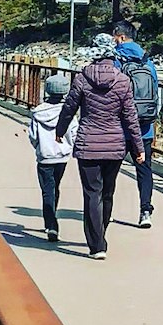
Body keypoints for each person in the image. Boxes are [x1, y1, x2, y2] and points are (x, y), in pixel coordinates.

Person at [67, 36, 140, 258]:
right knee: (108, 193)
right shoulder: (123, 81)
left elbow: (69, 108)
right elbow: (130, 116)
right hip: (114, 145)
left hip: (89, 143)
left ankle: (97, 244)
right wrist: (139, 147)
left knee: (92, 194)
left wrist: (60, 131)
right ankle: (102, 233)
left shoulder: (81, 79)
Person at [113, 25, 163, 226]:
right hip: (145, 128)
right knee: (144, 170)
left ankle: (106, 207)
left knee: (110, 170)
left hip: (120, 127)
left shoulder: (116, 60)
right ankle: (145, 211)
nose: (113, 41)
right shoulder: (148, 62)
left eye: (115, 38)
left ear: (122, 37)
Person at [29, 71, 77, 241]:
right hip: (62, 156)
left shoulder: (38, 112)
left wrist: (39, 147)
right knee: (56, 186)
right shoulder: (69, 111)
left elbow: (33, 136)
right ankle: (52, 218)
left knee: (47, 190)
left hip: (44, 155)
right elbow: (73, 132)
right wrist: (68, 147)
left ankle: (51, 224)